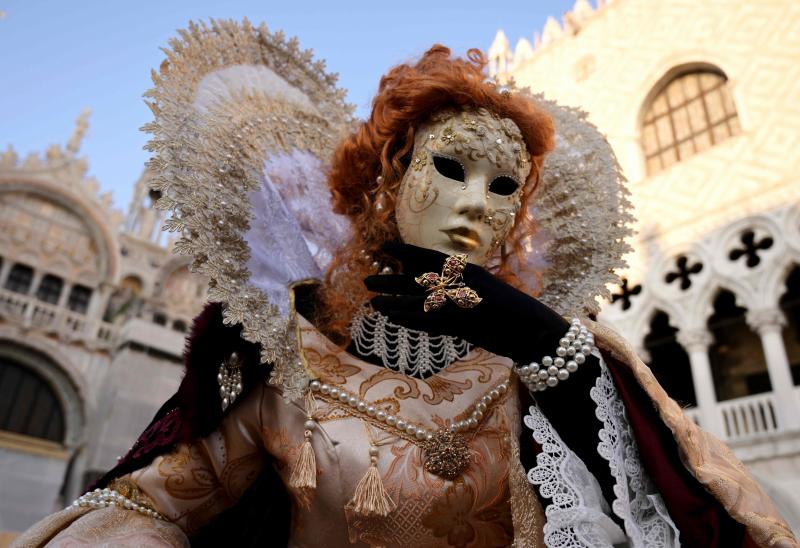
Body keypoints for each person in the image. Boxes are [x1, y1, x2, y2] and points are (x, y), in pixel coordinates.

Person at [13, 19, 798, 548]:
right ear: (386, 184)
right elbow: (156, 504)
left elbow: (685, 510)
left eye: (504, 189)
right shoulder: (293, 355)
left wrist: (540, 345)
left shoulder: (555, 360)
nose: (472, 203)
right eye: (449, 168)